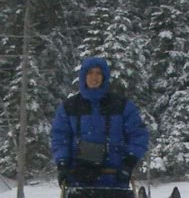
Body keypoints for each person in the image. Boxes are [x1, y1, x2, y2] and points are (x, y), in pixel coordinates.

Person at [52, 56, 148, 188]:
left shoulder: (122, 105)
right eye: (90, 73)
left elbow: (138, 134)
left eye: (98, 73)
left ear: (104, 77)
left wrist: (129, 161)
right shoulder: (69, 107)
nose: (94, 77)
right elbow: (60, 138)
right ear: (83, 76)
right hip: (78, 177)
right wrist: (62, 163)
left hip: (115, 177)